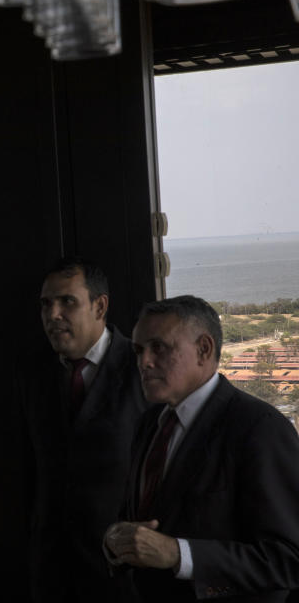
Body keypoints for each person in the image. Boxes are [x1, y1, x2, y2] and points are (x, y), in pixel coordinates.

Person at [104, 295, 299, 602]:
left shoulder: (260, 429)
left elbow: (288, 560)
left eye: (159, 347)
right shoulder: (148, 424)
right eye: (139, 350)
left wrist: (179, 554)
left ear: (204, 349)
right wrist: (117, 541)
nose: (144, 362)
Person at [18, 256, 147, 603]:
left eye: (67, 302)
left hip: (124, 574)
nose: (52, 314)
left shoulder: (142, 370)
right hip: (51, 573)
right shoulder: (34, 376)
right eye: (46, 303)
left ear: (100, 306)